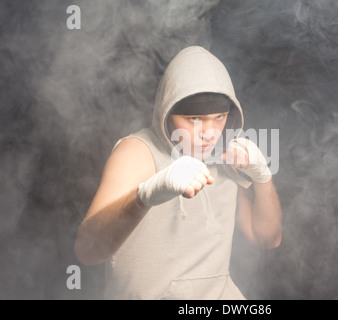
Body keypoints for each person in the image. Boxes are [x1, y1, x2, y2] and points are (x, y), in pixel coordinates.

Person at [74, 46, 282, 300]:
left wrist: (263, 177)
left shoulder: (229, 154)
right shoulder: (137, 152)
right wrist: (145, 196)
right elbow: (88, 251)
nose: (210, 133)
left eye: (219, 117)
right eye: (195, 119)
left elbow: (268, 239)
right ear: (168, 112)